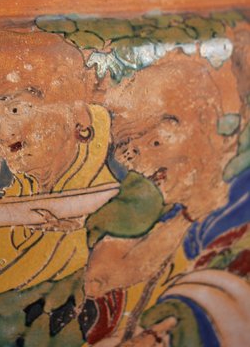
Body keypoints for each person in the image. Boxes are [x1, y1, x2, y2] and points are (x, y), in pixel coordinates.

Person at [0, 30, 165, 346]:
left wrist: (85, 227)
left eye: (15, 110)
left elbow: (145, 206)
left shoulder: (121, 153)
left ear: (73, 108)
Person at [84, 46, 250, 346]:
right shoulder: (169, 216)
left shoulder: (239, 200)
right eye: (129, 151)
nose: (141, 166)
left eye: (156, 142)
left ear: (205, 118)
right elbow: (102, 281)